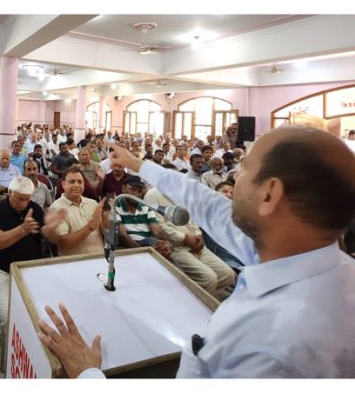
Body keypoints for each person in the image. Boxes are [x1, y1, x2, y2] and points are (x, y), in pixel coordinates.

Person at [39, 126, 355, 378]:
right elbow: (209, 205)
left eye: (245, 166)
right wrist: (140, 165)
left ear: (270, 194)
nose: (235, 177)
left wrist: (86, 375)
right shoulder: (309, 256)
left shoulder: (267, 347)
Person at [0, 177, 65, 333]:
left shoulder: (34, 208)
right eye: (20, 199)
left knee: (44, 313)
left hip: (31, 270)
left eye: (27, 199)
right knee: (10, 317)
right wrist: (23, 229)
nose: (23, 204)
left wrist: (53, 227)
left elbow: (50, 238)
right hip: (3, 272)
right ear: (10, 192)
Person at [44, 168, 106, 257]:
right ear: (63, 184)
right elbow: (64, 244)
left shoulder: (93, 203)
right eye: (72, 182)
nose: (77, 185)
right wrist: (90, 227)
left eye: (80, 182)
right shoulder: (56, 208)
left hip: (100, 258)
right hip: (74, 263)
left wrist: (107, 221)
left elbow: (106, 234)